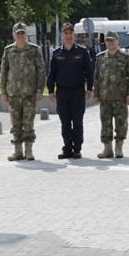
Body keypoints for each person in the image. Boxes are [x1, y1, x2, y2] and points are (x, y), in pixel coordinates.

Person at [46, 22, 93, 160]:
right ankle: (67, 148)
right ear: (61, 35)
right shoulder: (56, 53)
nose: (68, 35)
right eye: (65, 33)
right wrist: (50, 90)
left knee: (77, 121)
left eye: (70, 33)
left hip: (78, 92)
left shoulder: (82, 52)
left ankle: (77, 149)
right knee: (65, 122)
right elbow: (51, 74)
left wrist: (89, 88)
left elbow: (89, 72)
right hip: (62, 93)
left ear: (74, 35)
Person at [0, 22, 46, 161]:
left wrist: (39, 90)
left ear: (26, 34)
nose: (20, 35)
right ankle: (18, 151)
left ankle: (29, 150)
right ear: (13, 35)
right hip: (13, 93)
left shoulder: (34, 49)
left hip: (29, 92)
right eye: (18, 33)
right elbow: (4, 71)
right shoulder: (8, 50)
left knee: (28, 122)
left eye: (22, 33)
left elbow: (41, 71)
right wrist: (3, 91)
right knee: (15, 123)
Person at [93, 30, 129, 159]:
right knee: (105, 124)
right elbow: (96, 77)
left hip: (120, 97)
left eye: (112, 40)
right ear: (105, 42)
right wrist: (96, 94)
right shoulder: (100, 57)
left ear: (117, 41)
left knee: (121, 123)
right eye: (108, 40)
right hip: (105, 97)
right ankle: (107, 149)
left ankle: (119, 148)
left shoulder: (125, 57)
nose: (110, 42)